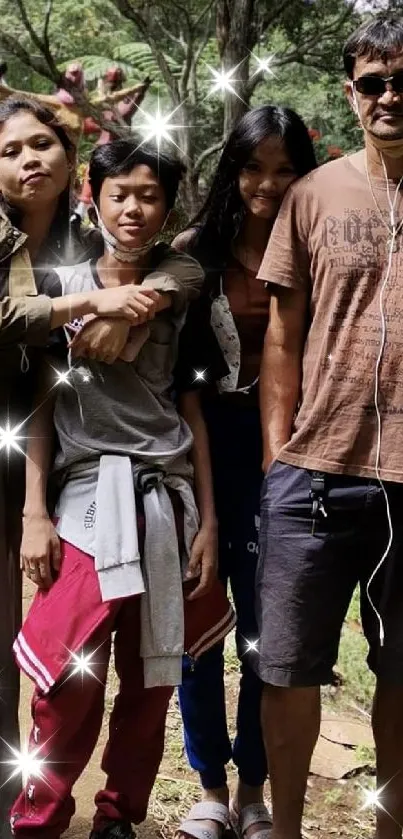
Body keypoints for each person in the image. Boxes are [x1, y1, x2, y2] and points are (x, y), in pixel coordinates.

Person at [10, 138, 235, 839]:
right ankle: (40, 818)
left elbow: (191, 408)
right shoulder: (59, 284)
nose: (133, 208)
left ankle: (120, 816)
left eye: (149, 195)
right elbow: (42, 400)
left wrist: (208, 525)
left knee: (152, 677)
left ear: (167, 206)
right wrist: (34, 511)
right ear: (93, 195)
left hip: (166, 503)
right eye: (120, 193)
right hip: (83, 501)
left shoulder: (185, 285)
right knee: (65, 676)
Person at [0, 96, 179, 839]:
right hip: (50, 462)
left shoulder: (92, 241)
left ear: (74, 163)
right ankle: (34, 809)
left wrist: (143, 295)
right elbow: (13, 317)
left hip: (69, 458)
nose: (27, 160)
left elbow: (186, 261)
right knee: (57, 656)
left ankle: (69, 809)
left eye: (43, 143)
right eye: (9, 150)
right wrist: (104, 299)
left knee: (121, 659)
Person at [256, 14, 403, 839]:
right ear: (351, 95)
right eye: (373, 83)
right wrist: (280, 455)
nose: (389, 96)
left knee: (401, 674)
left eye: (400, 80)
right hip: (314, 471)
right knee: (284, 666)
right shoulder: (313, 195)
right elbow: (282, 334)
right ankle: (284, 828)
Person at [171, 106, 316, 839]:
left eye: (283, 167)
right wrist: (207, 503)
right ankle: (208, 783)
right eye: (252, 166)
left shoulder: (318, 243)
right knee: (200, 619)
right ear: (231, 169)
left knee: (270, 629)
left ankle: (254, 787)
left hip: (291, 450)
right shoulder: (196, 253)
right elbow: (183, 384)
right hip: (205, 443)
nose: (266, 183)